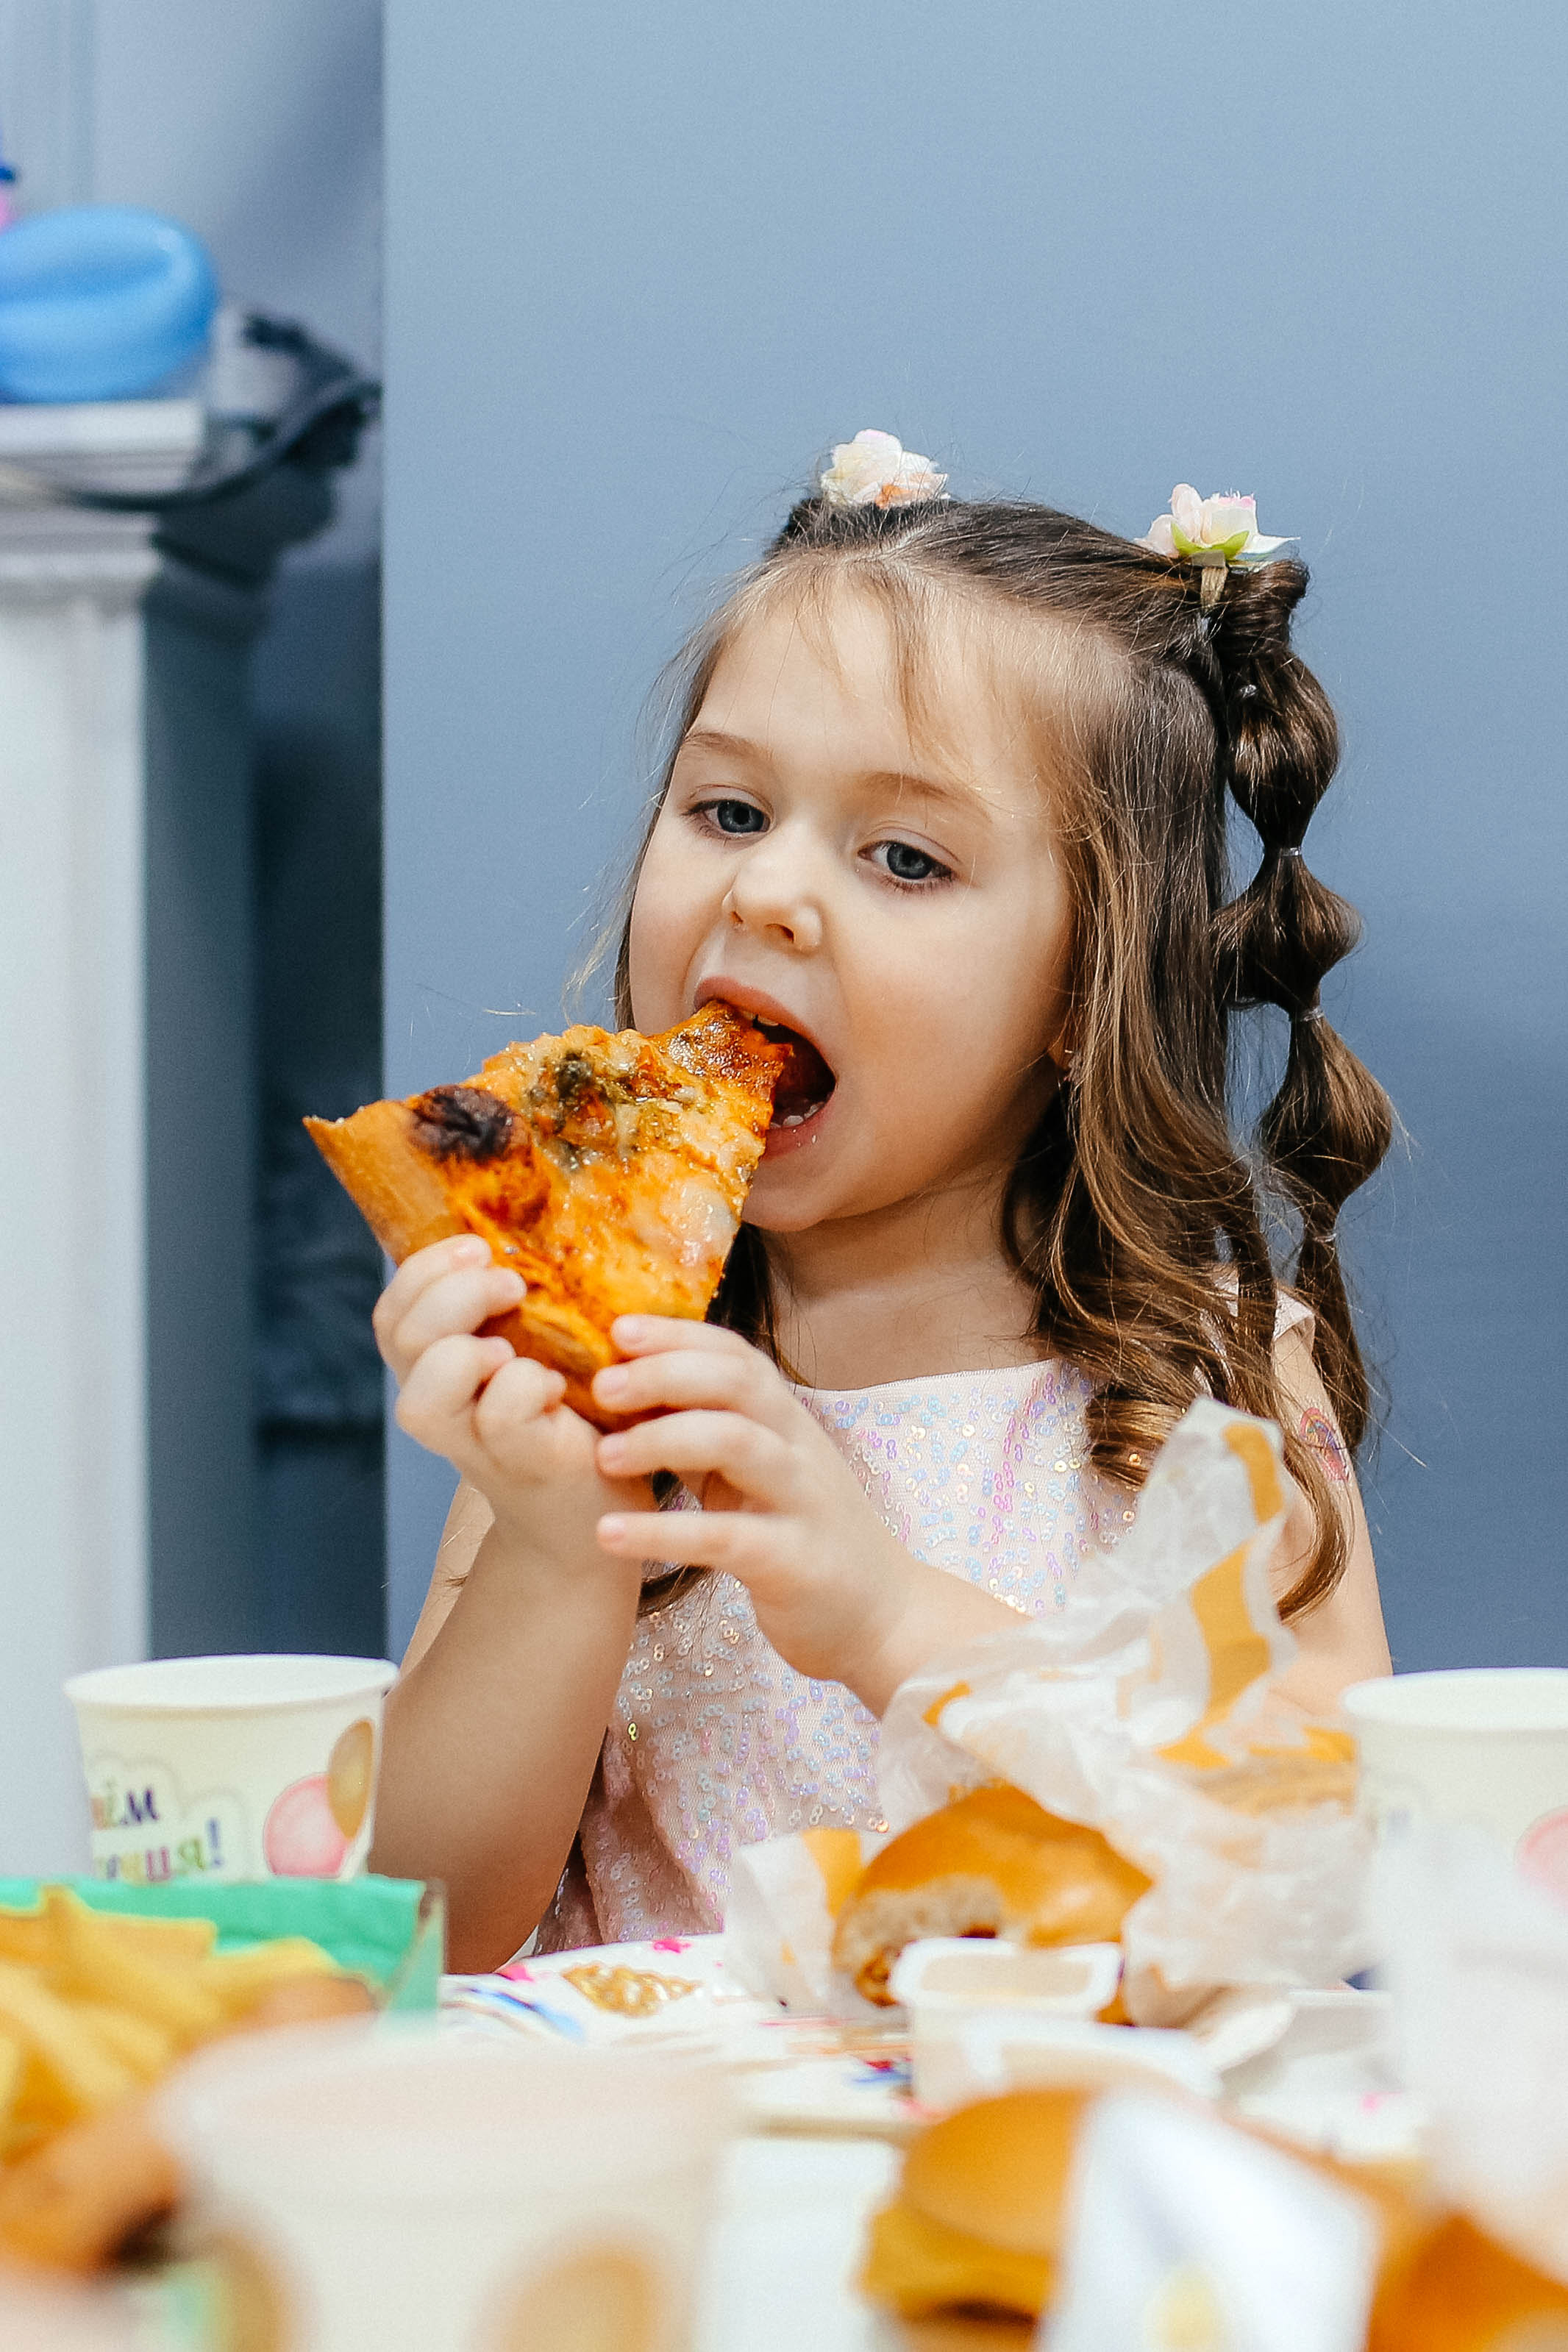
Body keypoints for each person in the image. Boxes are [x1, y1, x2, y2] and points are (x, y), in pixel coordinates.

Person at [368, 440, 1394, 1973]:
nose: (770, 893)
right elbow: (429, 1928)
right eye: (726, 811)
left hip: (1059, 2156)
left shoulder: (1211, 1382)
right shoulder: (596, 1372)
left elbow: (1319, 1861)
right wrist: (552, 1543)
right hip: (674, 2171)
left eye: (904, 857)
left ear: (1083, 990)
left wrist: (885, 1617)